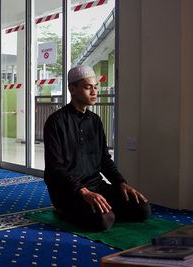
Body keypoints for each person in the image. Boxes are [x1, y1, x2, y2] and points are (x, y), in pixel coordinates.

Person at [43, 65, 150, 231]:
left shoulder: (95, 121)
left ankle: (101, 209)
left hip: (96, 186)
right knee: (104, 220)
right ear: (72, 89)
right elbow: (54, 168)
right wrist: (82, 191)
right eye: (87, 87)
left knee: (142, 209)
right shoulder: (56, 122)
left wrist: (121, 183)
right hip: (70, 191)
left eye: (95, 87)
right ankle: (63, 210)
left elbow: (104, 159)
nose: (94, 92)